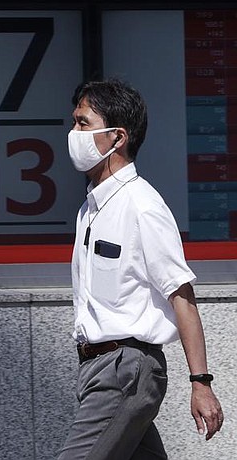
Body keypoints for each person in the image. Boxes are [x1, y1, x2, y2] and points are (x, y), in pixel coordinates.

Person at [57, 79, 224, 459]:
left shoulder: (142, 205)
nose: (73, 133)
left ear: (117, 137)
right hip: (97, 369)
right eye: (73, 123)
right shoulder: (90, 209)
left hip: (125, 370)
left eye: (83, 123)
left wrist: (201, 382)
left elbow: (180, 294)